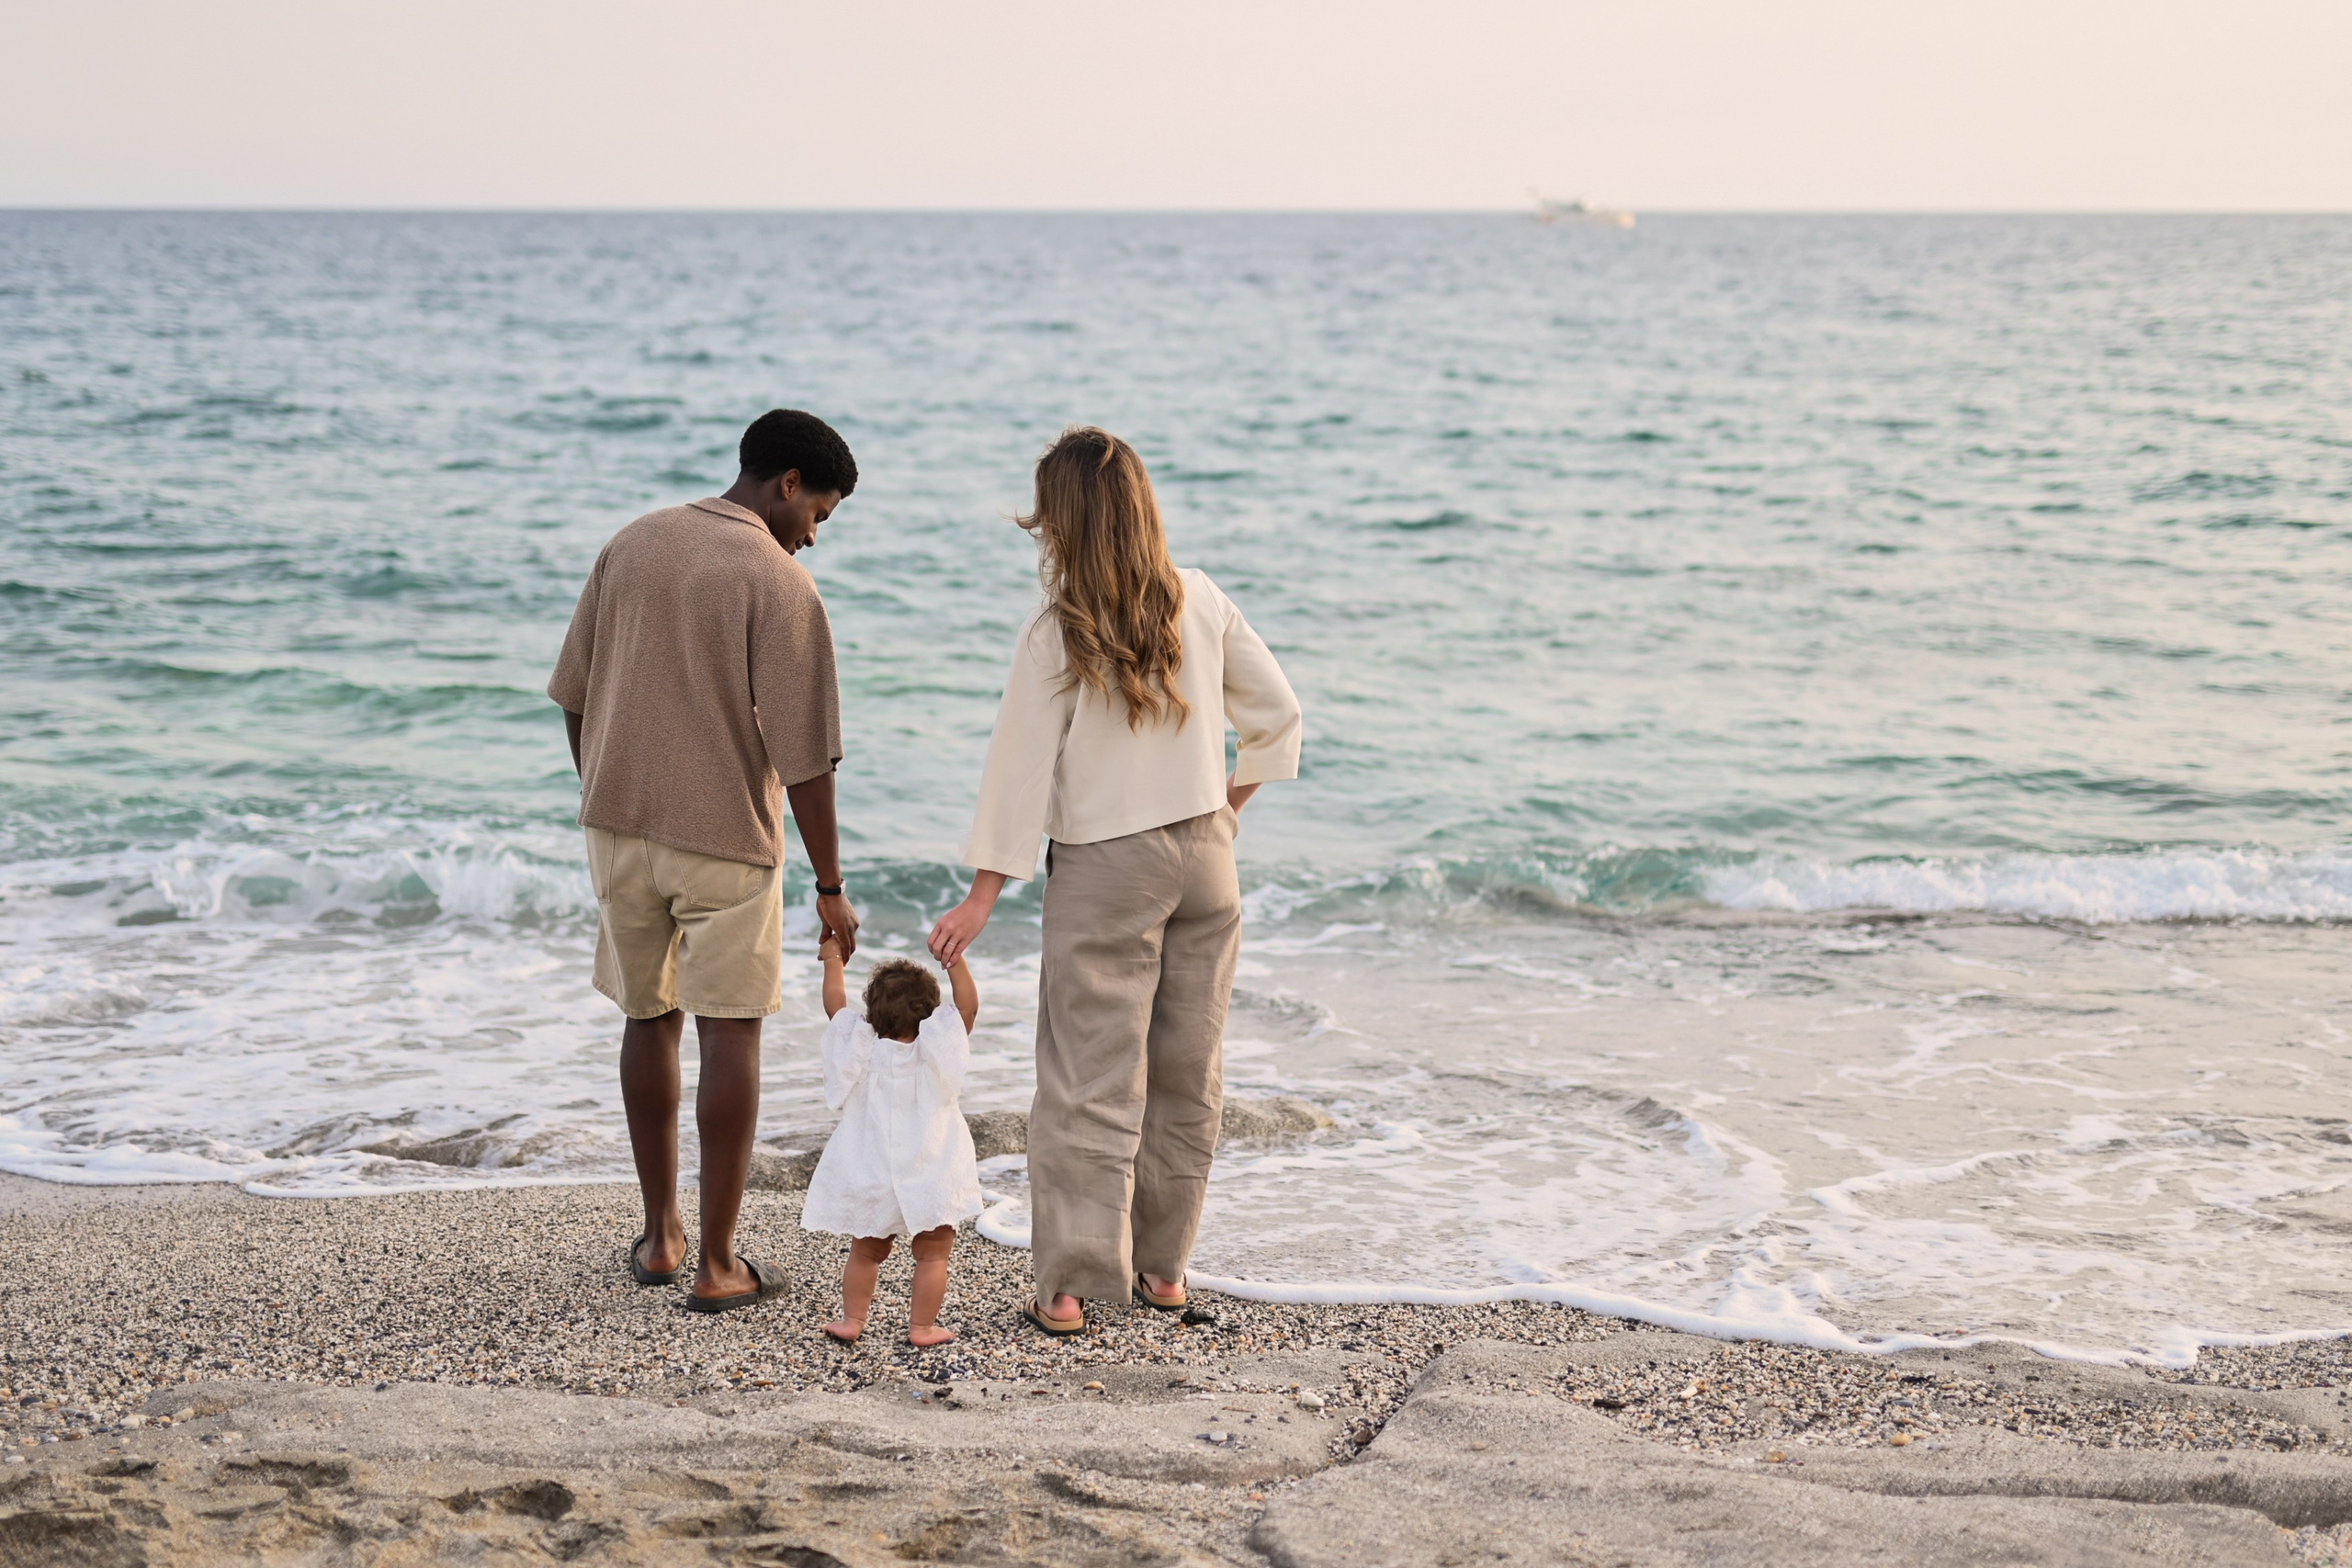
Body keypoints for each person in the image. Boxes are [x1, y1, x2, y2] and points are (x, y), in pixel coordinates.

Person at [928, 426, 1303, 1337]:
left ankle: (1070, 1287)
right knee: (1185, 1071)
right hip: (1206, 859)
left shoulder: (1058, 631)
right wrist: (1224, 807)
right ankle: (1165, 1272)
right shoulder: (1201, 601)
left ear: (1063, 523)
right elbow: (1281, 716)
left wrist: (984, 892)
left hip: (1108, 867)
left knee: (1088, 1079)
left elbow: (1019, 770)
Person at [547, 408, 864, 1313]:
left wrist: (608, 789)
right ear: (787, 486)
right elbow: (806, 761)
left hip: (619, 826)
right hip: (725, 839)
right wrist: (831, 888)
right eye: (819, 517)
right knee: (732, 1029)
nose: (812, 539)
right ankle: (719, 1265)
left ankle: (660, 1238)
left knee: (649, 1019)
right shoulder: (777, 583)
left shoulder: (633, 544)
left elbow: (572, 695)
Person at [804, 940, 983, 1347]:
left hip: (874, 1172)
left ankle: (853, 1320)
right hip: (932, 1170)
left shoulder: (859, 1049)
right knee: (933, 1255)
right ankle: (921, 1328)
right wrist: (954, 959)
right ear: (932, 1013)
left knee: (866, 1252)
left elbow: (835, 1007)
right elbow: (968, 1009)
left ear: (872, 1013)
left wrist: (833, 958)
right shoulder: (939, 1048)